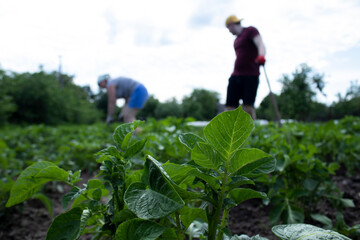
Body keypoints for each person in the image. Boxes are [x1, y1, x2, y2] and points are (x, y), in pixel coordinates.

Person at [225, 15, 266, 120]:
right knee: (230, 105)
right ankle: (228, 131)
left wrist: (261, 55)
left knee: (248, 106)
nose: (229, 31)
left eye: (228, 28)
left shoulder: (250, 31)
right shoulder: (236, 40)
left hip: (251, 75)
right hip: (236, 75)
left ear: (232, 24)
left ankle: (249, 133)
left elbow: (260, 43)